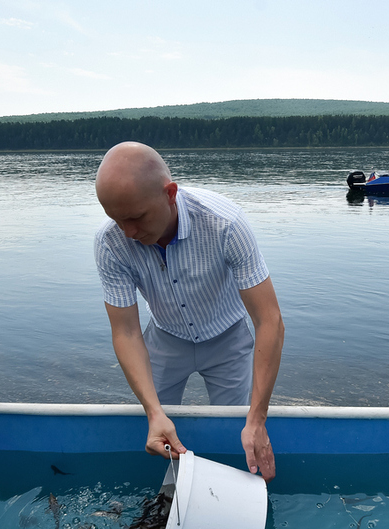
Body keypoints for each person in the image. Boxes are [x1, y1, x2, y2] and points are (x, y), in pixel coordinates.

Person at [94, 141, 285, 480]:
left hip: (228, 339)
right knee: (156, 430)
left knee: (236, 432)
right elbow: (125, 331)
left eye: (137, 218)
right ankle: (164, 499)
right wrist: (153, 410)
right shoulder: (111, 243)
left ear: (169, 193)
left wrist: (257, 420)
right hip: (166, 340)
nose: (129, 233)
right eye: (117, 220)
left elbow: (268, 320)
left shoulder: (225, 223)